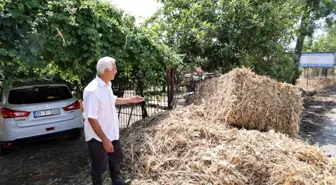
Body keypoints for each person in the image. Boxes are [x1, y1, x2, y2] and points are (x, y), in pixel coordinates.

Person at [83, 56, 144, 185]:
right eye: (114, 68)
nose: (116, 71)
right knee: (99, 166)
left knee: (116, 158)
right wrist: (104, 139)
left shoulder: (107, 85)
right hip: (97, 137)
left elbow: (113, 100)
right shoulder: (92, 91)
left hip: (111, 132)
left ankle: (116, 180)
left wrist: (130, 99)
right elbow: (91, 118)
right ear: (106, 71)